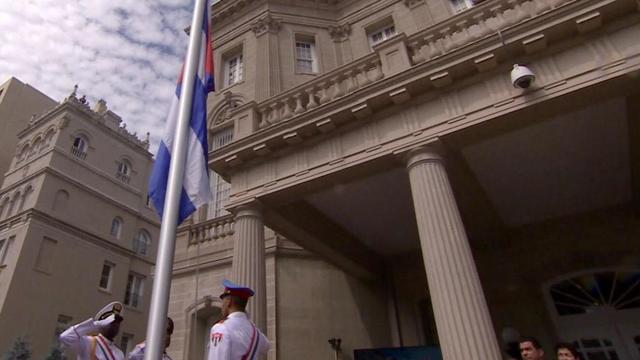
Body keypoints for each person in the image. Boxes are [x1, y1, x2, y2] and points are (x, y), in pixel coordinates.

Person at [207, 279, 270, 360]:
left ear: (228, 302)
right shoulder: (257, 333)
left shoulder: (221, 328)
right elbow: (266, 346)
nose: (222, 305)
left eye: (223, 301)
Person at [59, 301, 125, 360]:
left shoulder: (119, 353)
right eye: (112, 322)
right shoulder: (88, 342)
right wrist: (95, 324)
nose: (116, 325)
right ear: (102, 323)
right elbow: (65, 337)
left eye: (118, 323)